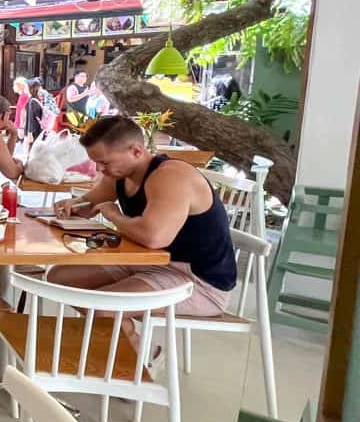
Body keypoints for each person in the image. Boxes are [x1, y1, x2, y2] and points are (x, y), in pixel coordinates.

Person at [49, 116, 236, 344]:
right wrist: (75, 205)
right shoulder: (120, 174)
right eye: (96, 162)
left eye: (105, 162)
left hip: (198, 282)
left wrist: (114, 215)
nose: (99, 169)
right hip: (150, 262)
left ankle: (138, 353)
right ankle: (124, 340)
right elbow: (91, 202)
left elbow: (153, 237)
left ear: (136, 151)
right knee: (59, 277)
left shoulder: (170, 176)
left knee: (103, 310)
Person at [23, 78, 60, 148]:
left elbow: (30, 119)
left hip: (34, 132)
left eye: (26, 86)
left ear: (31, 88)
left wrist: (29, 133)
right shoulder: (38, 99)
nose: (24, 88)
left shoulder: (32, 101)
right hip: (40, 130)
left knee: (31, 150)